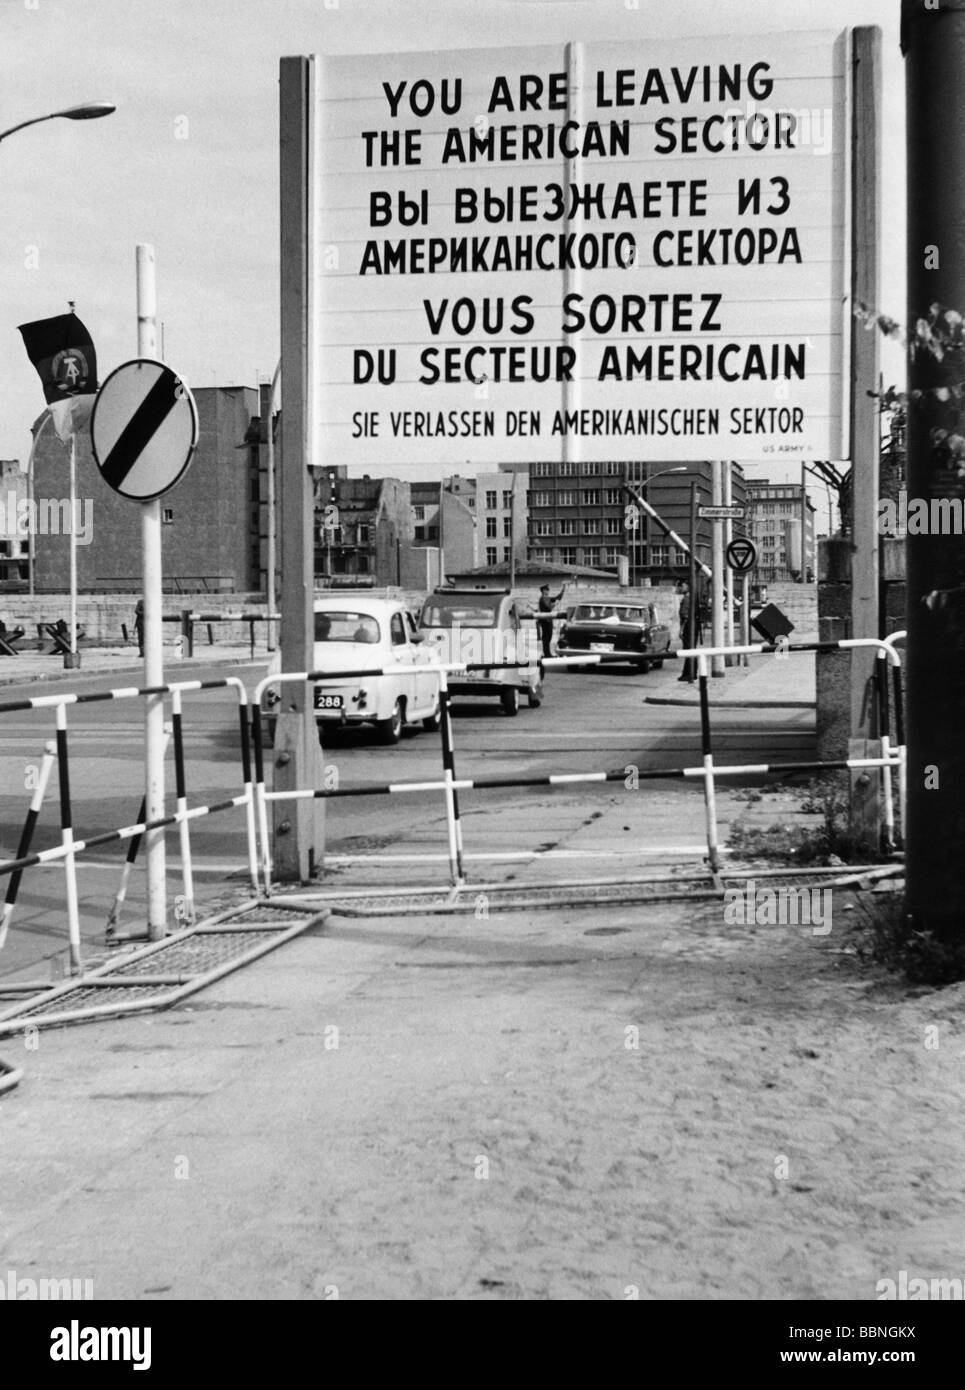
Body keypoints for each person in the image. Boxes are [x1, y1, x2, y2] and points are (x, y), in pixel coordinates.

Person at [536, 582, 565, 659]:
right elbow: (548, 608)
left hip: (548, 620)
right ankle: (547, 654)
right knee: (546, 637)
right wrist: (554, 605)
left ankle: (547, 653)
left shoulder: (546, 598)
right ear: (543, 591)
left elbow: (556, 598)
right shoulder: (543, 599)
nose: (548, 591)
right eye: (546, 590)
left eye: (548, 589)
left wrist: (563, 590)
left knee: (548, 637)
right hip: (545, 620)